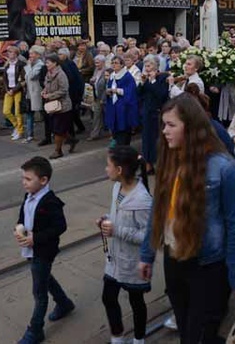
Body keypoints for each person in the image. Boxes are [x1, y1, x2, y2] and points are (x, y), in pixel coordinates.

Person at [139, 94, 235, 344]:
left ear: (190, 126)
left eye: (171, 125)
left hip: (208, 265)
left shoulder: (223, 168)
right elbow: (158, 210)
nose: (164, 131)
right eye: (163, 124)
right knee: (186, 326)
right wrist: (147, 254)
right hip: (174, 260)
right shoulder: (169, 158)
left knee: (200, 332)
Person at [14, 156, 74, 343]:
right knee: (45, 278)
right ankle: (64, 303)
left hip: (43, 251)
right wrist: (18, 227)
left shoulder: (51, 202)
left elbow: (60, 227)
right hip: (31, 250)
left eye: (28, 179)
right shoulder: (29, 196)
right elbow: (23, 215)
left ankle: (35, 330)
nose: (24, 183)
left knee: (39, 293)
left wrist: (35, 238)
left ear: (43, 180)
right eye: (23, 178)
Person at [98, 146, 152, 344]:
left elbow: (149, 235)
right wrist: (106, 219)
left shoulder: (143, 200)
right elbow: (117, 214)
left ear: (119, 170)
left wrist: (116, 230)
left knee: (136, 301)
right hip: (115, 258)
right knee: (108, 297)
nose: (106, 169)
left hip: (133, 262)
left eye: (108, 165)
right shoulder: (116, 188)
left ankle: (139, 339)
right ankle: (117, 337)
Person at [139, 54, 169, 173]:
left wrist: (152, 81)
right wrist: (142, 82)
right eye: (146, 65)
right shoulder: (145, 77)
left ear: (156, 66)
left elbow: (161, 94)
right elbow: (139, 93)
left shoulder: (162, 77)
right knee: (146, 138)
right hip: (147, 111)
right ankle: (148, 163)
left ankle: (160, 163)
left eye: (149, 65)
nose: (147, 67)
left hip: (157, 112)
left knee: (158, 139)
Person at [41, 53, 74, 159]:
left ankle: (58, 151)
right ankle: (72, 140)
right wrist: (44, 91)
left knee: (58, 129)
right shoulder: (48, 73)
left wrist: (50, 95)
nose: (46, 64)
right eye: (46, 62)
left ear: (55, 63)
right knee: (59, 129)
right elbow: (46, 85)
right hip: (52, 105)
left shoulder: (61, 74)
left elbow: (64, 90)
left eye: (48, 63)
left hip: (62, 106)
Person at [105, 55, 139, 147]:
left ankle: (124, 147)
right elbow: (109, 87)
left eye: (116, 63)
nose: (114, 65)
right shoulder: (112, 75)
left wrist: (118, 90)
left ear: (121, 65)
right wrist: (108, 91)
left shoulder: (127, 76)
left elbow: (131, 91)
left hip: (124, 108)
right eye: (112, 63)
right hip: (114, 106)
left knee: (123, 130)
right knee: (115, 129)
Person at [3, 45, 26, 141]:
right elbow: (4, 79)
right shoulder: (7, 64)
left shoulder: (21, 64)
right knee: (6, 111)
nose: (9, 54)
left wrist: (14, 90)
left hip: (17, 90)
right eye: (8, 52)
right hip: (9, 89)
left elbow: (23, 80)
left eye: (11, 52)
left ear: (16, 54)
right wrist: (7, 89)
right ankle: (16, 126)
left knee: (17, 112)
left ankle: (20, 131)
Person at [23, 45, 46, 143]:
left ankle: (51, 132)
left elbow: (32, 76)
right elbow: (26, 77)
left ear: (38, 55)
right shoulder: (32, 64)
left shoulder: (40, 65)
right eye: (30, 54)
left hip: (36, 93)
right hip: (29, 93)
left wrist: (28, 66)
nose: (30, 56)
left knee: (43, 114)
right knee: (29, 114)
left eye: (32, 54)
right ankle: (29, 135)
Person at [88, 55, 108, 141]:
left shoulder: (107, 71)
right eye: (95, 62)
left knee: (108, 115)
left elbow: (107, 86)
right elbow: (95, 81)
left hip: (104, 97)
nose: (96, 64)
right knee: (96, 116)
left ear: (103, 63)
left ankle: (113, 134)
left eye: (98, 63)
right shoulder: (96, 70)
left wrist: (103, 99)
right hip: (96, 96)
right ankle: (94, 134)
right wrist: (92, 80)